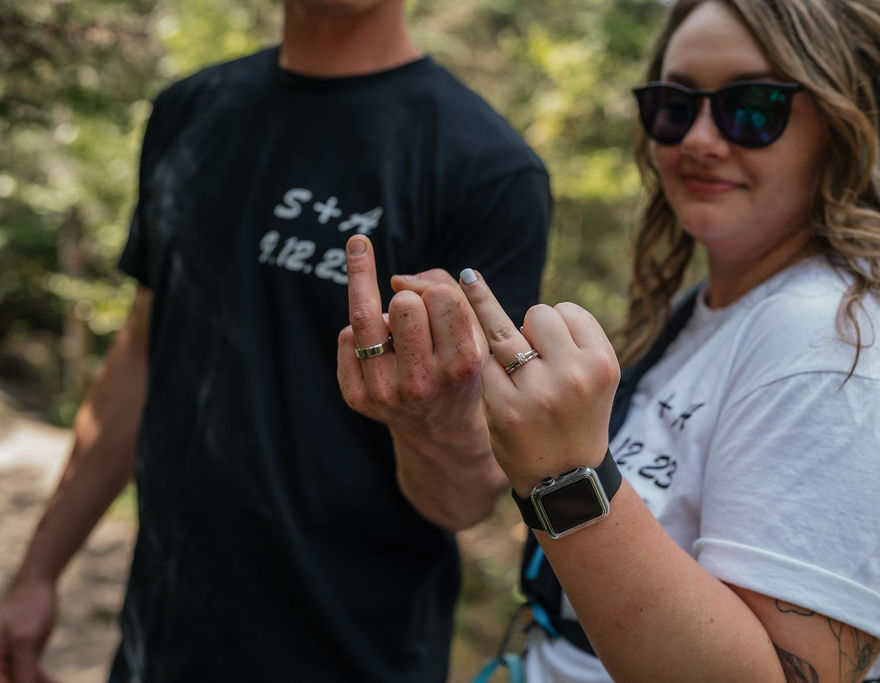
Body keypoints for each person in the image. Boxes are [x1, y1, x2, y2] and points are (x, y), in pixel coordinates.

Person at [0, 0, 550, 681]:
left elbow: (465, 501)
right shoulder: (186, 111)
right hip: (155, 646)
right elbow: (141, 350)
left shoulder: (488, 169)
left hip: (351, 654)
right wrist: (37, 572)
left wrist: (434, 421)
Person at [456, 0, 880, 681]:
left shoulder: (841, 354)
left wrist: (565, 475)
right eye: (674, 105)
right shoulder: (710, 311)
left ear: (843, 124)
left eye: (753, 106)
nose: (700, 139)